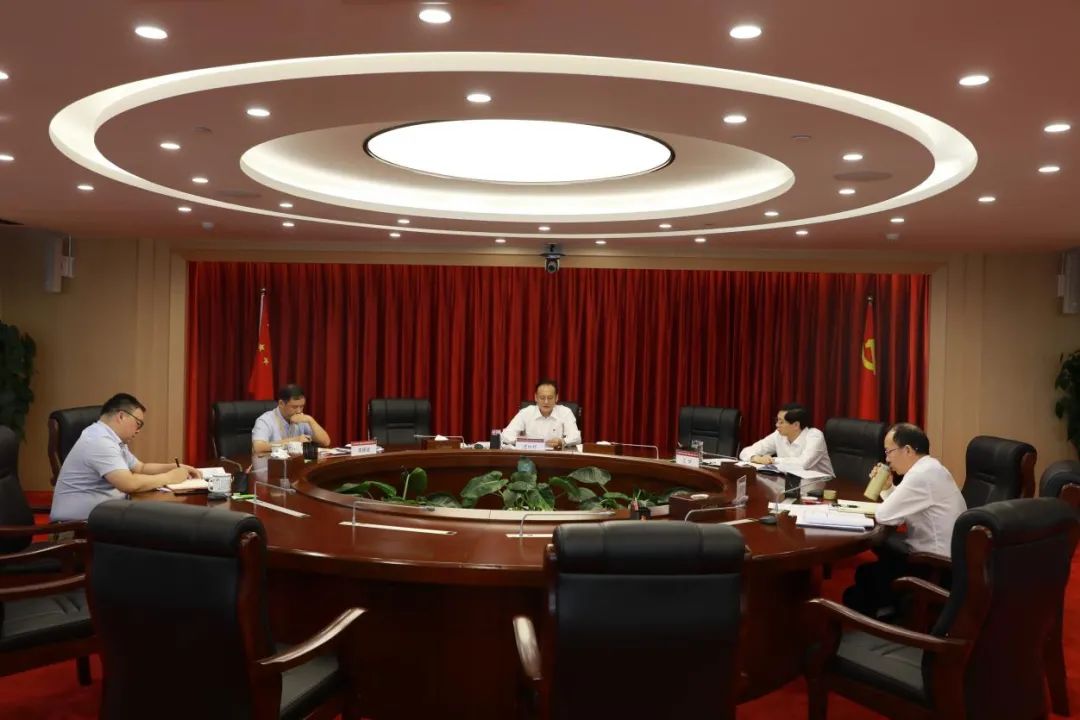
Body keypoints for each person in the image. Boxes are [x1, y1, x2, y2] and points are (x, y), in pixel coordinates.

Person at [842, 422, 966, 617]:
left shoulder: (921, 476)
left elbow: (886, 515)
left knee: (863, 580)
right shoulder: (930, 468)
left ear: (907, 450)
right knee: (871, 570)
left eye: (889, 451)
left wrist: (882, 491)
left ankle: (878, 623)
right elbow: (900, 507)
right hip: (947, 559)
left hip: (936, 566)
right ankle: (888, 609)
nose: (886, 459)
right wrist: (887, 487)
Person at [50, 393, 201, 522]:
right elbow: (128, 483)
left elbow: (140, 467)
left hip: (101, 516)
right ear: (121, 416)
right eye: (138, 423)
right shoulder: (99, 441)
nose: (138, 430)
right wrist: (170, 477)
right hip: (76, 526)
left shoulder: (111, 438)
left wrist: (174, 467)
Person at [738, 402, 834, 476]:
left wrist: (773, 460)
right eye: (777, 420)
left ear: (796, 425)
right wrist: (757, 458)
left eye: (781, 422)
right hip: (791, 482)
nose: (777, 425)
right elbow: (745, 452)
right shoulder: (778, 435)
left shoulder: (815, 436)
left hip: (824, 486)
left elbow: (803, 464)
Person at [501, 379, 581, 450]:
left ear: (556, 398)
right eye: (542, 398)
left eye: (550, 398)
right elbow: (506, 435)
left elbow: (576, 437)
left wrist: (562, 441)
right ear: (536, 397)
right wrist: (524, 442)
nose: (546, 402)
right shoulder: (526, 412)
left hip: (556, 456)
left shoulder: (565, 412)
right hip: (531, 455)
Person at [252, 383, 331, 454]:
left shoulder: (301, 418)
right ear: (281, 404)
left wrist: (310, 420)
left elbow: (326, 442)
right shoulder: (265, 420)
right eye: (294, 407)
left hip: (296, 463)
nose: (299, 411)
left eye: (302, 406)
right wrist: (295, 441)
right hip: (273, 464)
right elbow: (258, 447)